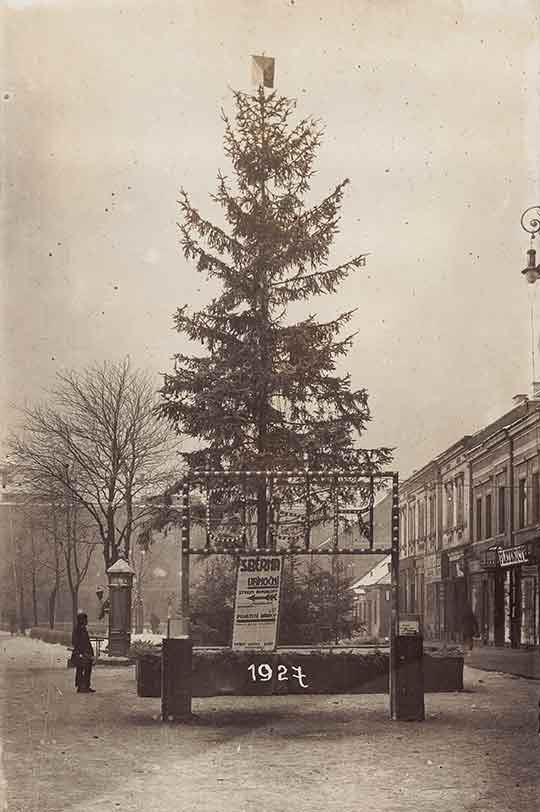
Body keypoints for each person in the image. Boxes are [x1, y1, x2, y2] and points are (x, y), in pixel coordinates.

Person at [72, 611, 95, 693]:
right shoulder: (78, 629)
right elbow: (76, 642)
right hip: (81, 653)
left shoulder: (82, 628)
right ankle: (81, 687)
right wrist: (81, 652)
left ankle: (85, 686)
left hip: (85, 653)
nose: (87, 621)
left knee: (87, 669)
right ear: (82, 620)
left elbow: (86, 642)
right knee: (81, 669)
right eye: (85, 619)